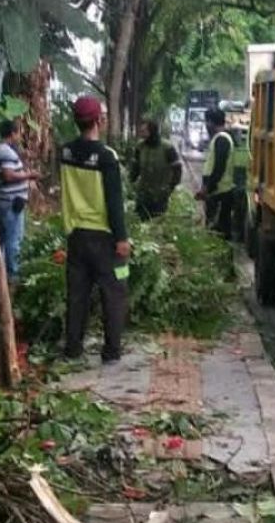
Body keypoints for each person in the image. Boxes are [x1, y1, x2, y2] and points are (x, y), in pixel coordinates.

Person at [59, 96, 131, 364]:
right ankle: (111, 351)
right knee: (115, 292)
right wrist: (122, 238)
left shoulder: (65, 152)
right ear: (99, 120)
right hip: (105, 238)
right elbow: (114, 202)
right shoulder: (106, 156)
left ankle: (73, 348)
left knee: (77, 294)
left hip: (76, 235)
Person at [0, 120, 37, 280]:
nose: (20, 136)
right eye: (19, 132)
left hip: (4, 200)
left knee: (3, 239)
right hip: (12, 202)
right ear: (12, 133)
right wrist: (29, 175)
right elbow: (8, 175)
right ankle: (13, 276)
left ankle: (1, 276)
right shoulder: (6, 152)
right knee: (14, 241)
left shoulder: (0, 149)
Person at [130, 119, 183, 220]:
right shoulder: (140, 147)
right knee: (141, 220)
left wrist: (170, 187)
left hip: (160, 195)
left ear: (152, 131)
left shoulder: (167, 147)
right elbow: (135, 167)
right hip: (143, 194)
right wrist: (131, 181)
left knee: (157, 222)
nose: (141, 133)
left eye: (144, 131)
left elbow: (177, 169)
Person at [195, 108, 236, 239]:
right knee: (216, 230)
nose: (206, 126)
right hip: (218, 192)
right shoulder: (219, 138)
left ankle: (220, 259)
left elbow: (219, 168)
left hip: (220, 193)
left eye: (207, 122)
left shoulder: (222, 139)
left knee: (218, 232)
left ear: (211, 122)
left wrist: (207, 188)